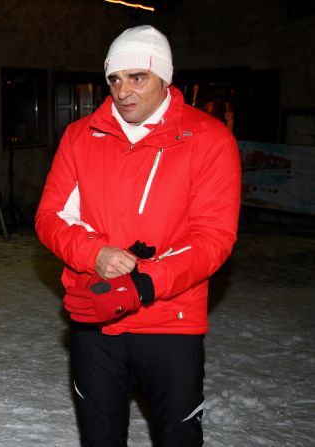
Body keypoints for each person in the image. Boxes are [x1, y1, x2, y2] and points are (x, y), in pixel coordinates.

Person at [35, 25, 241, 446]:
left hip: (170, 319)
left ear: (165, 77)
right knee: (100, 435)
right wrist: (95, 254)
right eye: (114, 78)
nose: (122, 91)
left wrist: (147, 282)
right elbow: (50, 216)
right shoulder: (81, 137)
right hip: (95, 313)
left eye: (137, 77)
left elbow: (213, 237)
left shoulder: (208, 139)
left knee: (176, 436)